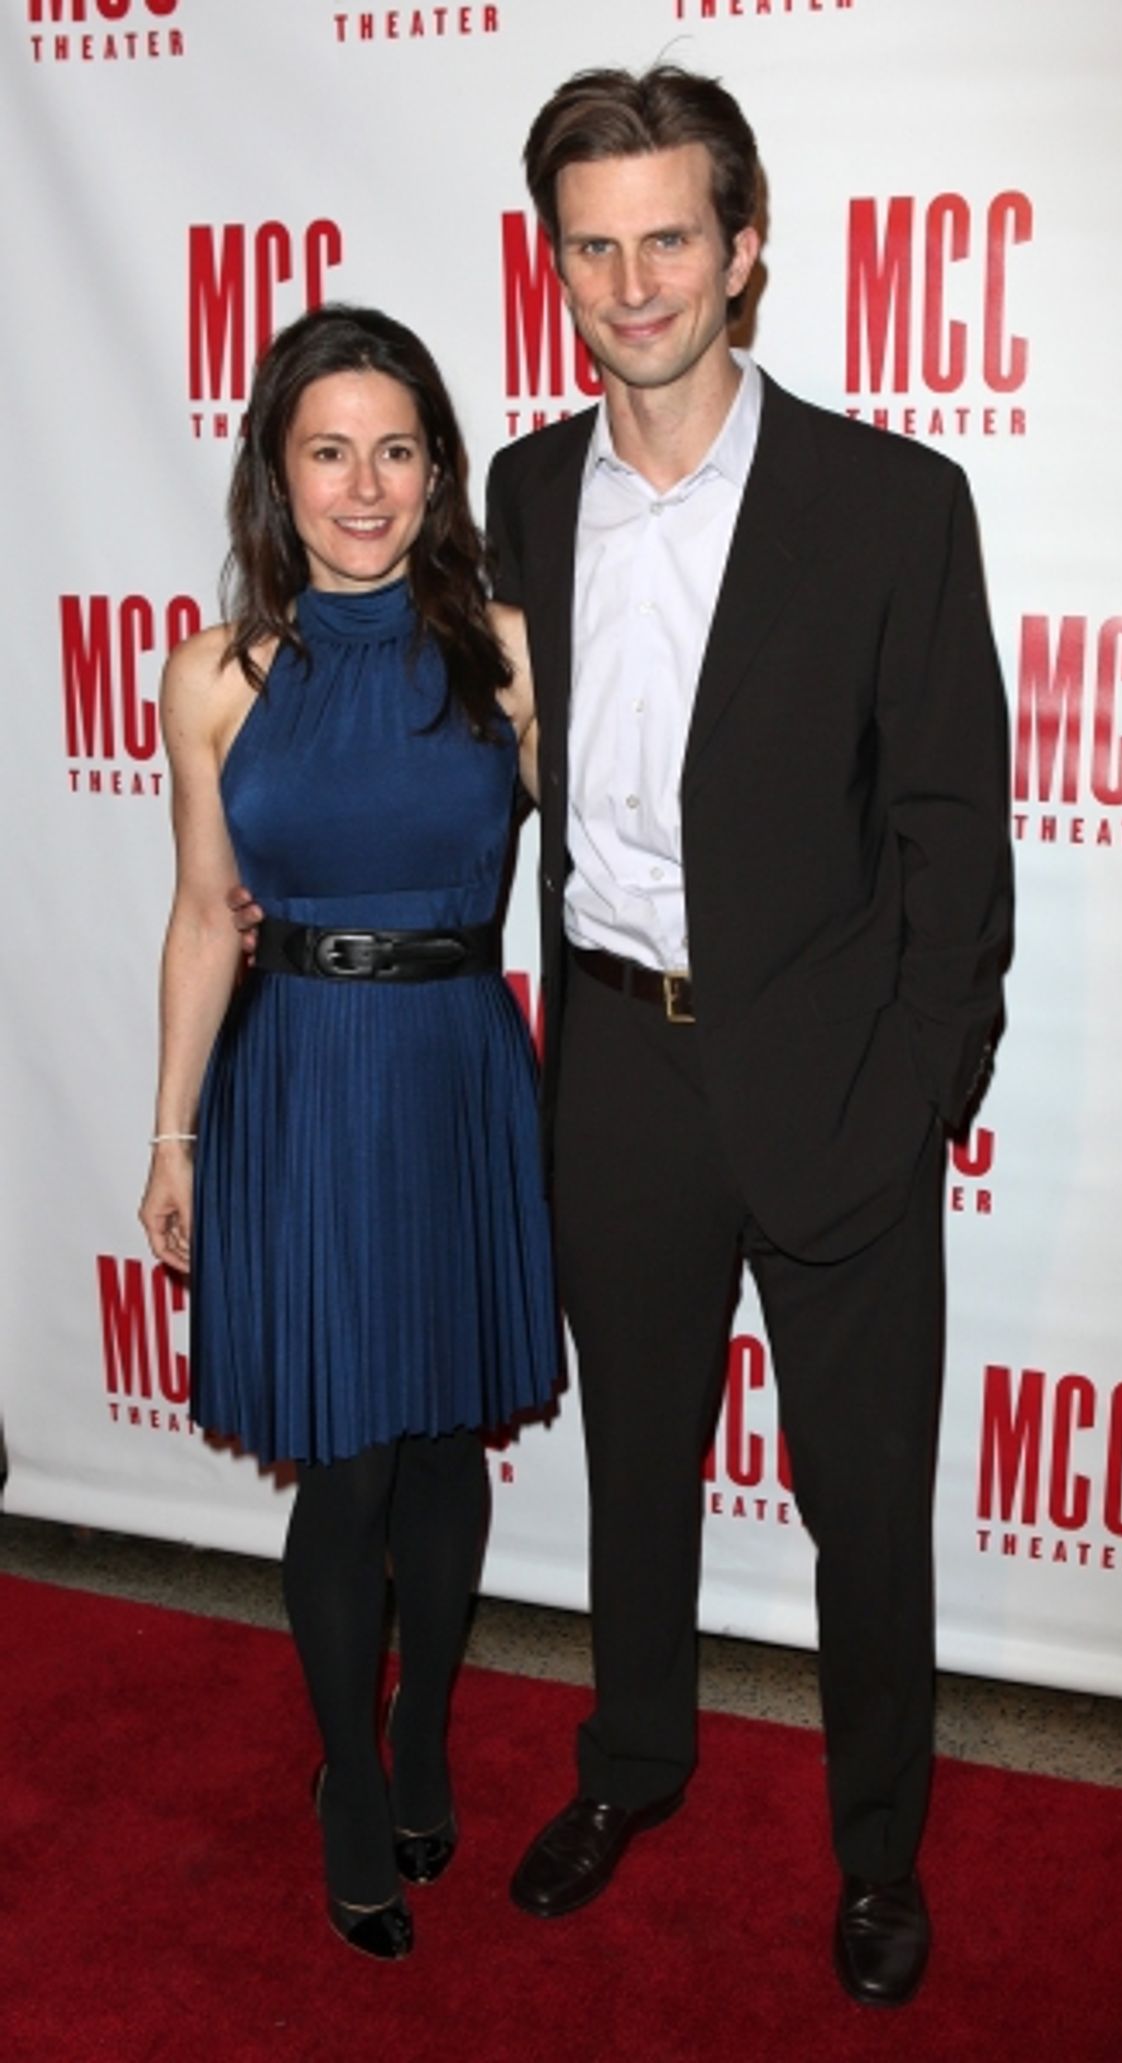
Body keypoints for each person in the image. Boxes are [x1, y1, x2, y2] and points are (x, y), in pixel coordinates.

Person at [484, 67, 1012, 2006]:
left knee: (866, 1496)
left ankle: (880, 1851)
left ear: (746, 247)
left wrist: (910, 1100)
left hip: (833, 1079)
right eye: (594, 245)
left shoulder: (891, 503)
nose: (634, 283)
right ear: (560, 264)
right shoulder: (527, 490)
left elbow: (958, 845)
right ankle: (634, 1763)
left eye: (670, 239)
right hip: (616, 1063)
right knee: (636, 1461)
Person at [139, 304, 558, 1962]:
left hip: (459, 1065)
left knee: (444, 1437)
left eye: (397, 448)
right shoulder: (218, 676)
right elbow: (196, 921)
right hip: (303, 1074)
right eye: (330, 450)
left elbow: (622, 860)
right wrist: (173, 1137)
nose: (365, 485)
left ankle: (431, 1733)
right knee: (354, 1455)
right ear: (280, 472)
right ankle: (346, 1768)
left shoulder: (509, 653)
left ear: (438, 469)